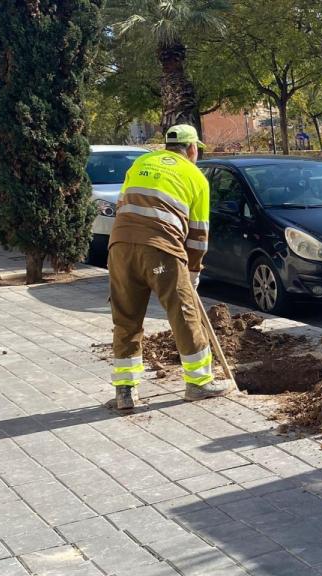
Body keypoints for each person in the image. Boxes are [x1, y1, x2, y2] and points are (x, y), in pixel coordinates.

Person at [107, 124, 231, 410]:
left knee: (126, 317)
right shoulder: (196, 176)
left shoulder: (140, 163)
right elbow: (199, 234)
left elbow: (123, 203)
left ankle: (125, 392)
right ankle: (199, 383)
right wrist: (194, 273)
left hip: (120, 246)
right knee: (183, 312)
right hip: (161, 250)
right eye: (197, 149)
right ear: (191, 149)